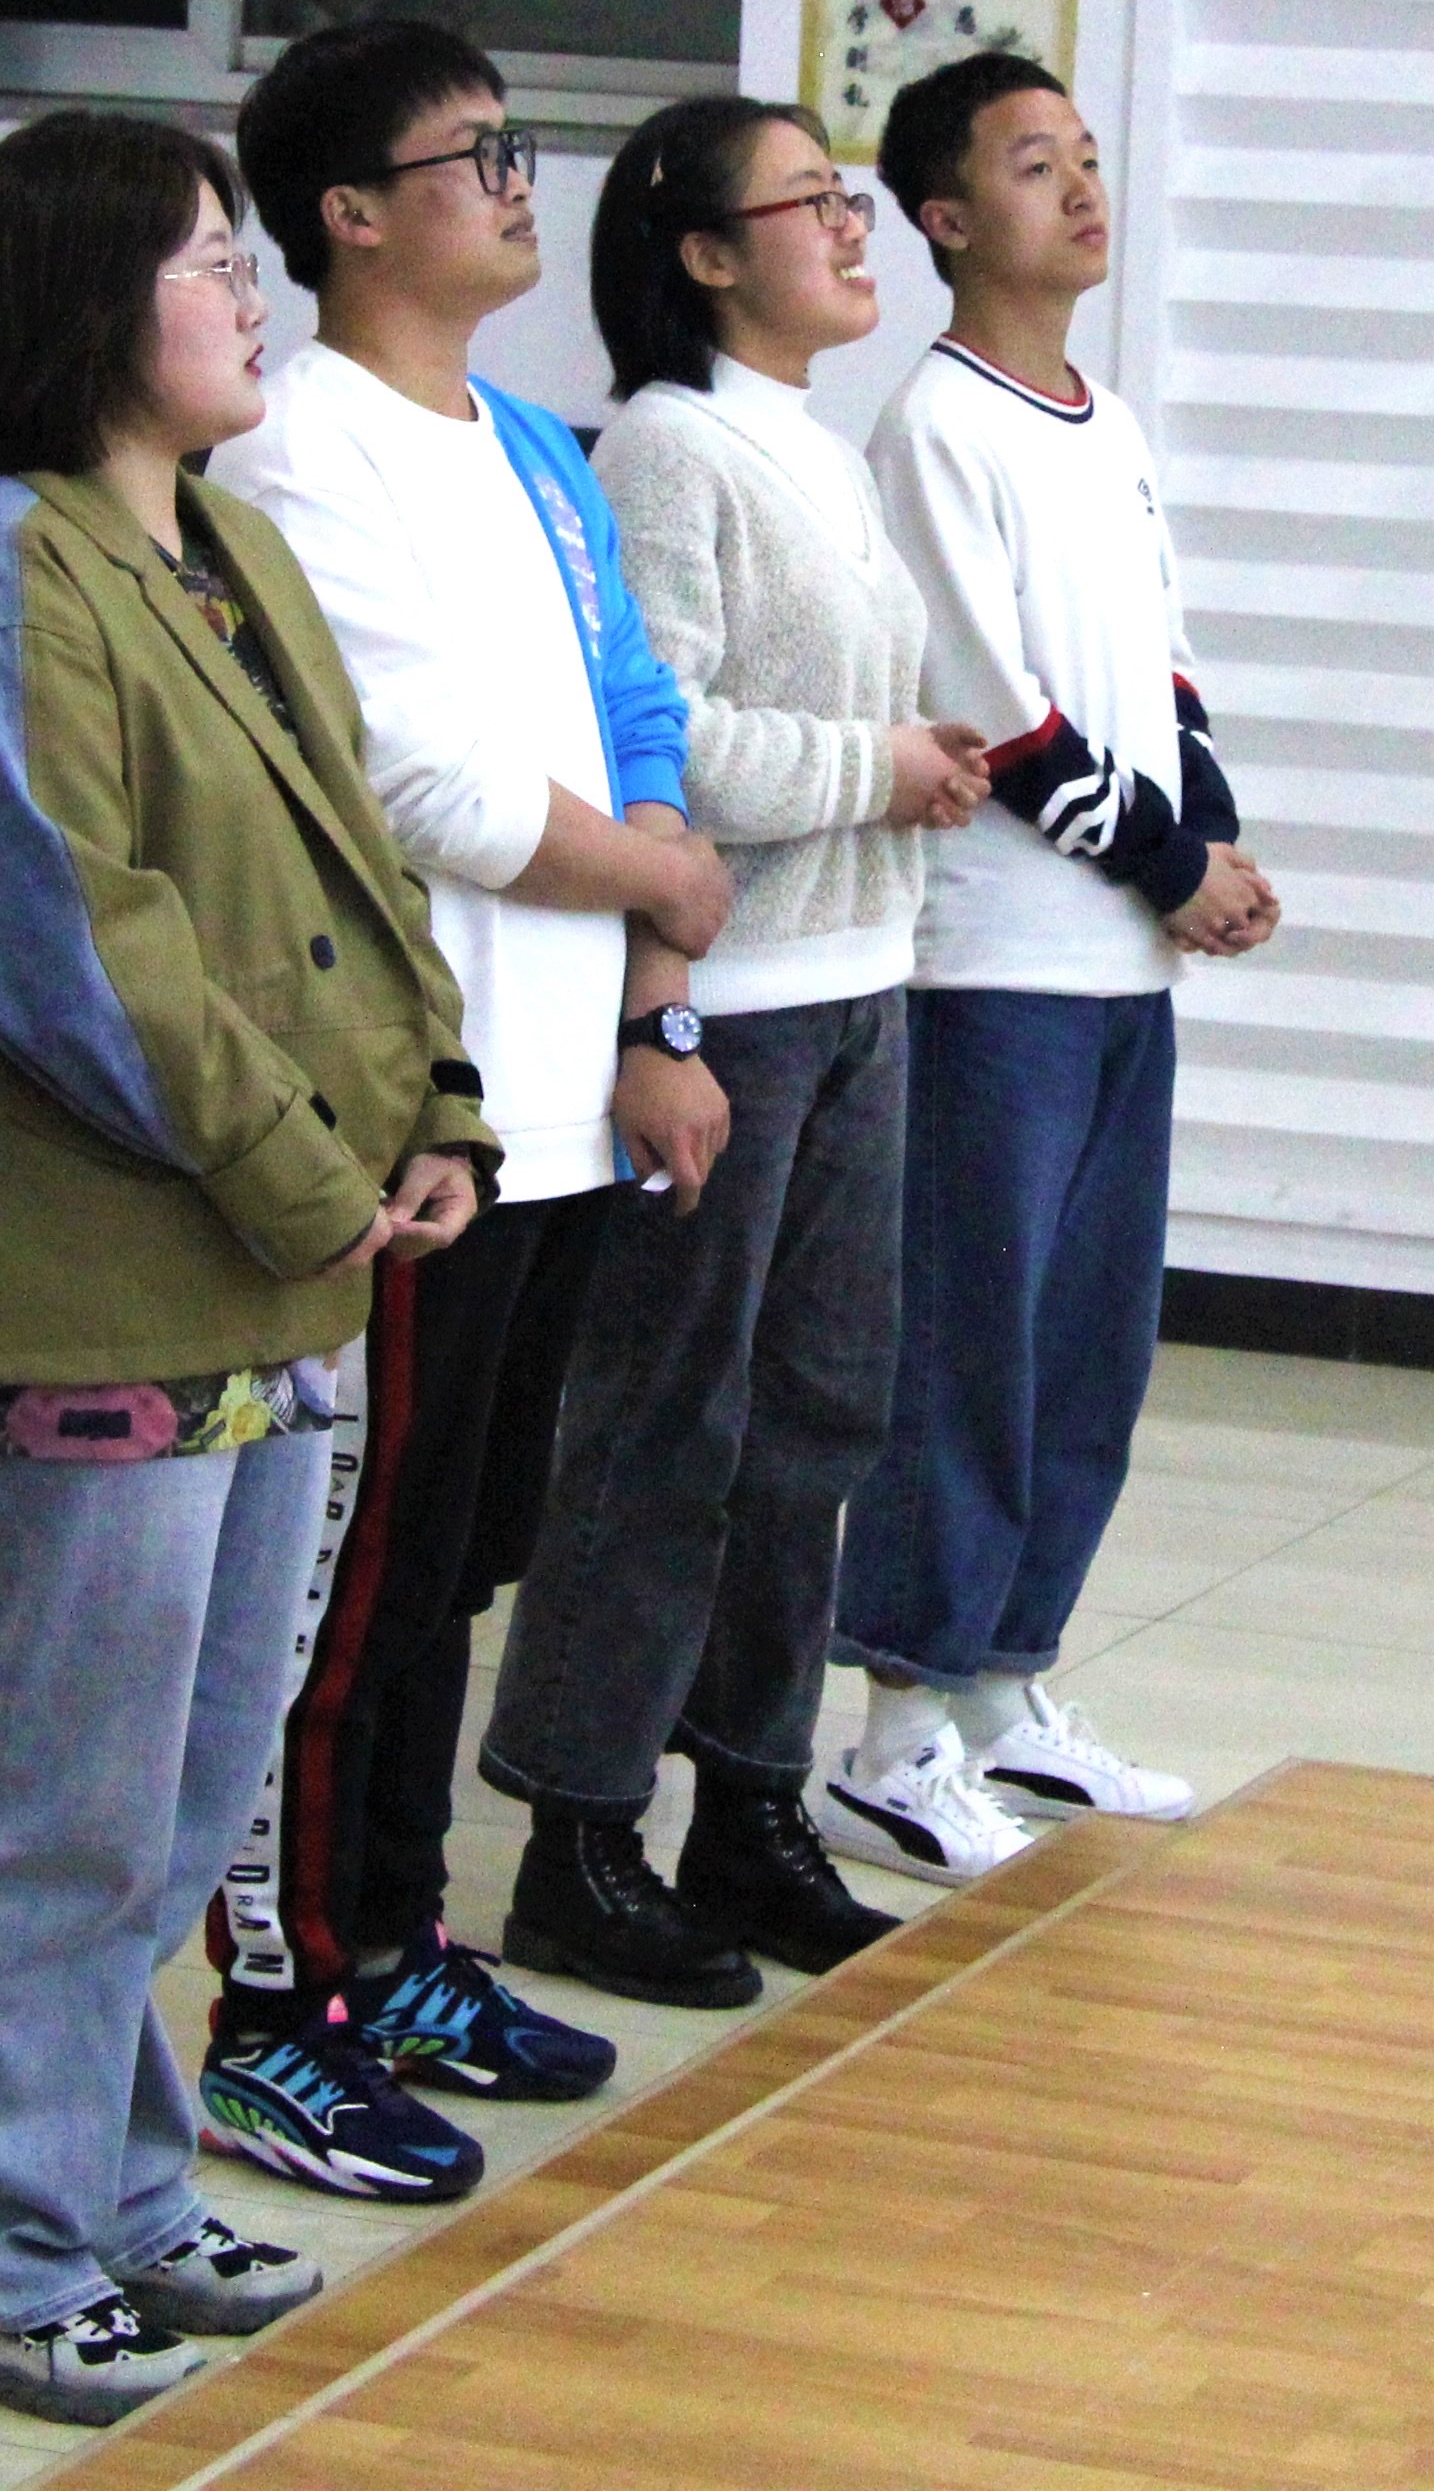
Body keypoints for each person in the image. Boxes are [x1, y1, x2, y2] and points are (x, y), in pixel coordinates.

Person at [0, 112, 490, 2427]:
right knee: (40, 1795)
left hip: (263, 1268)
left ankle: (107, 2188)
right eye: (211, 257)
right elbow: (76, 959)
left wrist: (440, 1107)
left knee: (181, 1791)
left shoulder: (221, 549)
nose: (252, 290)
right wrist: (319, 1180)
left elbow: (362, 882)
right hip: (67, 1280)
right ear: (85, 300)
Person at [202, 20, 732, 2193]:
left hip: (559, 1093)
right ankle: (281, 1995)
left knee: (457, 1560)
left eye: (519, 145)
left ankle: (403, 1938)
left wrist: (660, 1005)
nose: (520, 182)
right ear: (346, 214)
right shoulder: (293, 450)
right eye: (472, 153)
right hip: (407, 1117)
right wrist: (660, 882)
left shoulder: (525, 439)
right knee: (351, 1575)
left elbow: (630, 715)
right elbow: (415, 781)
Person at [476, 99, 985, 1997]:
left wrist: (911, 770)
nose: (854, 230)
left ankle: (750, 1804)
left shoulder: (817, 447)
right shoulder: (668, 449)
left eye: (849, 199)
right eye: (810, 203)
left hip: (856, 993)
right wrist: (873, 770)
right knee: (665, 1426)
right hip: (731, 1009)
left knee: (817, 1420)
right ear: (702, 256)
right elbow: (660, 745)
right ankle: (580, 1831)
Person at [829, 52, 1275, 1880]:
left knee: (1089, 1349)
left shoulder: (1110, 420)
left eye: (1085, 155)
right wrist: (1170, 865)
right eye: (1033, 164)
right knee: (969, 1347)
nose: (1081, 187)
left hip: (1120, 971)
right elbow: (993, 713)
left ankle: (1009, 1687)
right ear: (944, 219)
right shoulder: (933, 429)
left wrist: (1208, 844)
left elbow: (1154, 669)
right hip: (992, 970)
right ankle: (894, 1730)